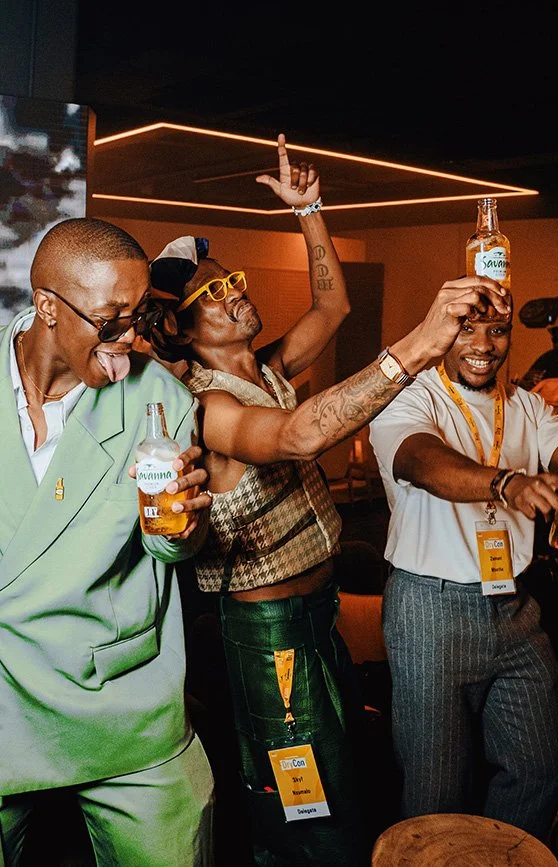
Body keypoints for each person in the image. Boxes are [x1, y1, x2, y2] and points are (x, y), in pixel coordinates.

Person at [146, 132, 512, 866]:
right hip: (268, 632)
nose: (235, 292)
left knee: (344, 771)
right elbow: (297, 436)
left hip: (317, 613)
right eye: (213, 293)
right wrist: (419, 344)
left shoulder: (272, 366)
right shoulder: (204, 405)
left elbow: (334, 303)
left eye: (233, 279)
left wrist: (310, 209)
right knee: (304, 799)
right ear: (182, 329)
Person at [0, 218, 216, 867]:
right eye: (111, 320)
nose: (129, 340)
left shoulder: (161, 399)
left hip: (119, 700)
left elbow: (169, 548)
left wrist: (186, 526)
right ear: (46, 306)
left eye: (141, 315)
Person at [368, 295, 558, 842]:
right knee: (437, 790)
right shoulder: (407, 398)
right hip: (430, 610)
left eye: (497, 331)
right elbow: (422, 462)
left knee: (540, 770)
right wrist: (508, 482)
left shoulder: (526, 405)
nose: (483, 345)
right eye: (467, 328)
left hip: (515, 609)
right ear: (441, 331)